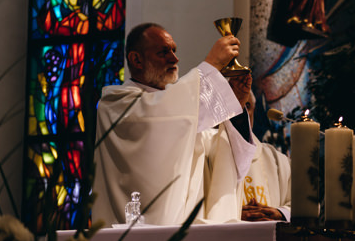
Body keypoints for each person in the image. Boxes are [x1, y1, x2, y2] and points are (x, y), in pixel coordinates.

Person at [91, 23, 256, 226]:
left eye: (174, 51)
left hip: (190, 239)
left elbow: (222, 156)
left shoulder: (182, 113)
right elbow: (156, 119)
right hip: (136, 240)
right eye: (163, 52)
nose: (174, 59)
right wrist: (212, 64)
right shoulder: (116, 104)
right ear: (136, 60)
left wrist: (236, 109)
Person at [234, 87, 291, 221]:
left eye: (247, 106)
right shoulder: (206, 154)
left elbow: (305, 203)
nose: (242, 112)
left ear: (254, 110)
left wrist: (279, 213)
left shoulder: (276, 160)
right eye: (235, 104)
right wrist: (234, 216)